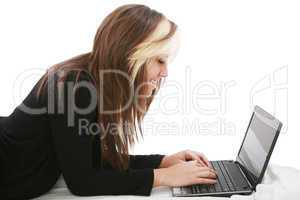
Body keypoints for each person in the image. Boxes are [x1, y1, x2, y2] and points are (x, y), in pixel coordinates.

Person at [0, 4, 217, 199]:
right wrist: (162, 176)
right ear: (130, 54)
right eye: (160, 60)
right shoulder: (75, 87)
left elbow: (90, 161)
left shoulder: (90, 79)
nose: (166, 72)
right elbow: (83, 182)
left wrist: (162, 161)